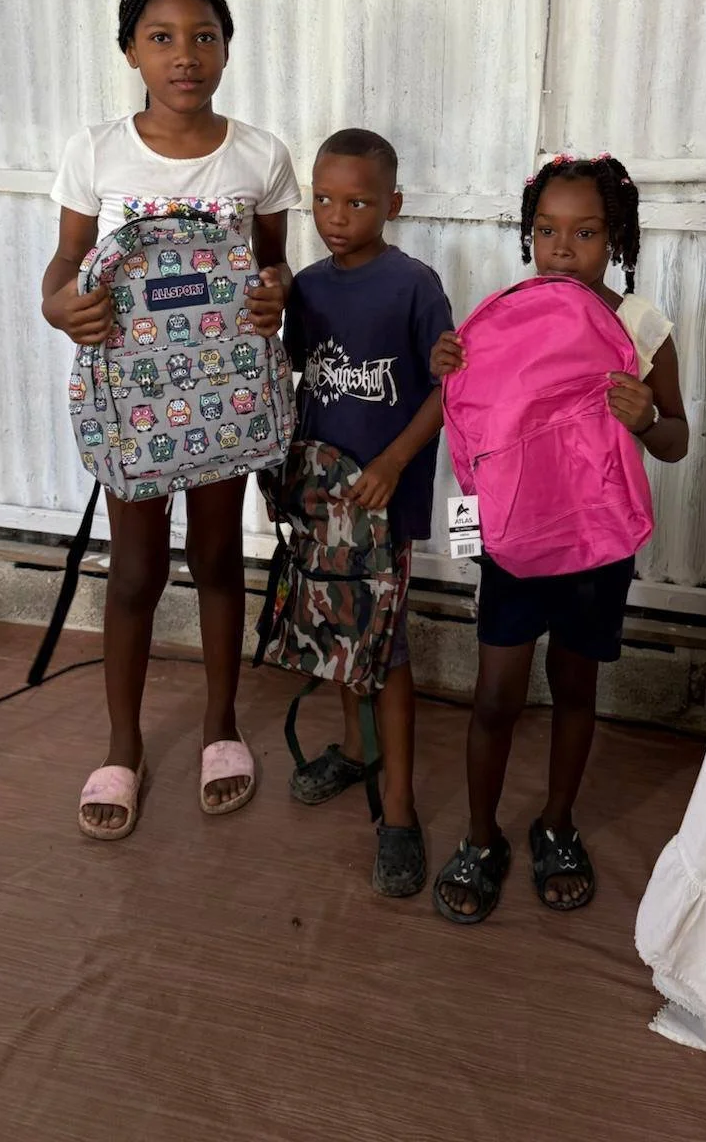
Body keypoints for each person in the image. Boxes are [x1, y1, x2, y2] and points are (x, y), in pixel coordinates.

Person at [42, 0, 299, 840]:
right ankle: (123, 746)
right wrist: (57, 304)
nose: (184, 55)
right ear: (129, 53)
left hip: (227, 398)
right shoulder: (96, 149)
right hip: (133, 400)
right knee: (138, 570)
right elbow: (65, 262)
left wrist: (276, 294)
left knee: (221, 558)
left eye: (203, 37)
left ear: (227, 49)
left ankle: (221, 727)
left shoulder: (259, 154)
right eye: (161, 37)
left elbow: (274, 265)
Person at [430, 153, 689, 922]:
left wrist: (645, 417)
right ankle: (481, 836)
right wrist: (443, 365)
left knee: (576, 686)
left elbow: (677, 440)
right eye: (546, 230)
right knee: (495, 694)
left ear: (618, 239)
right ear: (528, 236)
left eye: (585, 232)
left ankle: (556, 825)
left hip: (597, 542)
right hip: (511, 538)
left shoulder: (642, 327)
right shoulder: (501, 315)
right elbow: (469, 421)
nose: (563, 248)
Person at [283, 129, 452, 898]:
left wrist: (391, 462)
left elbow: (447, 389)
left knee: (384, 650)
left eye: (356, 201)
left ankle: (400, 813)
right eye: (322, 199)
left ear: (394, 203)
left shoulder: (414, 286)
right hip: (321, 494)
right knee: (339, 629)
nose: (336, 215)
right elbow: (293, 374)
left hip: (383, 501)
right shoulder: (307, 289)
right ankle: (355, 750)